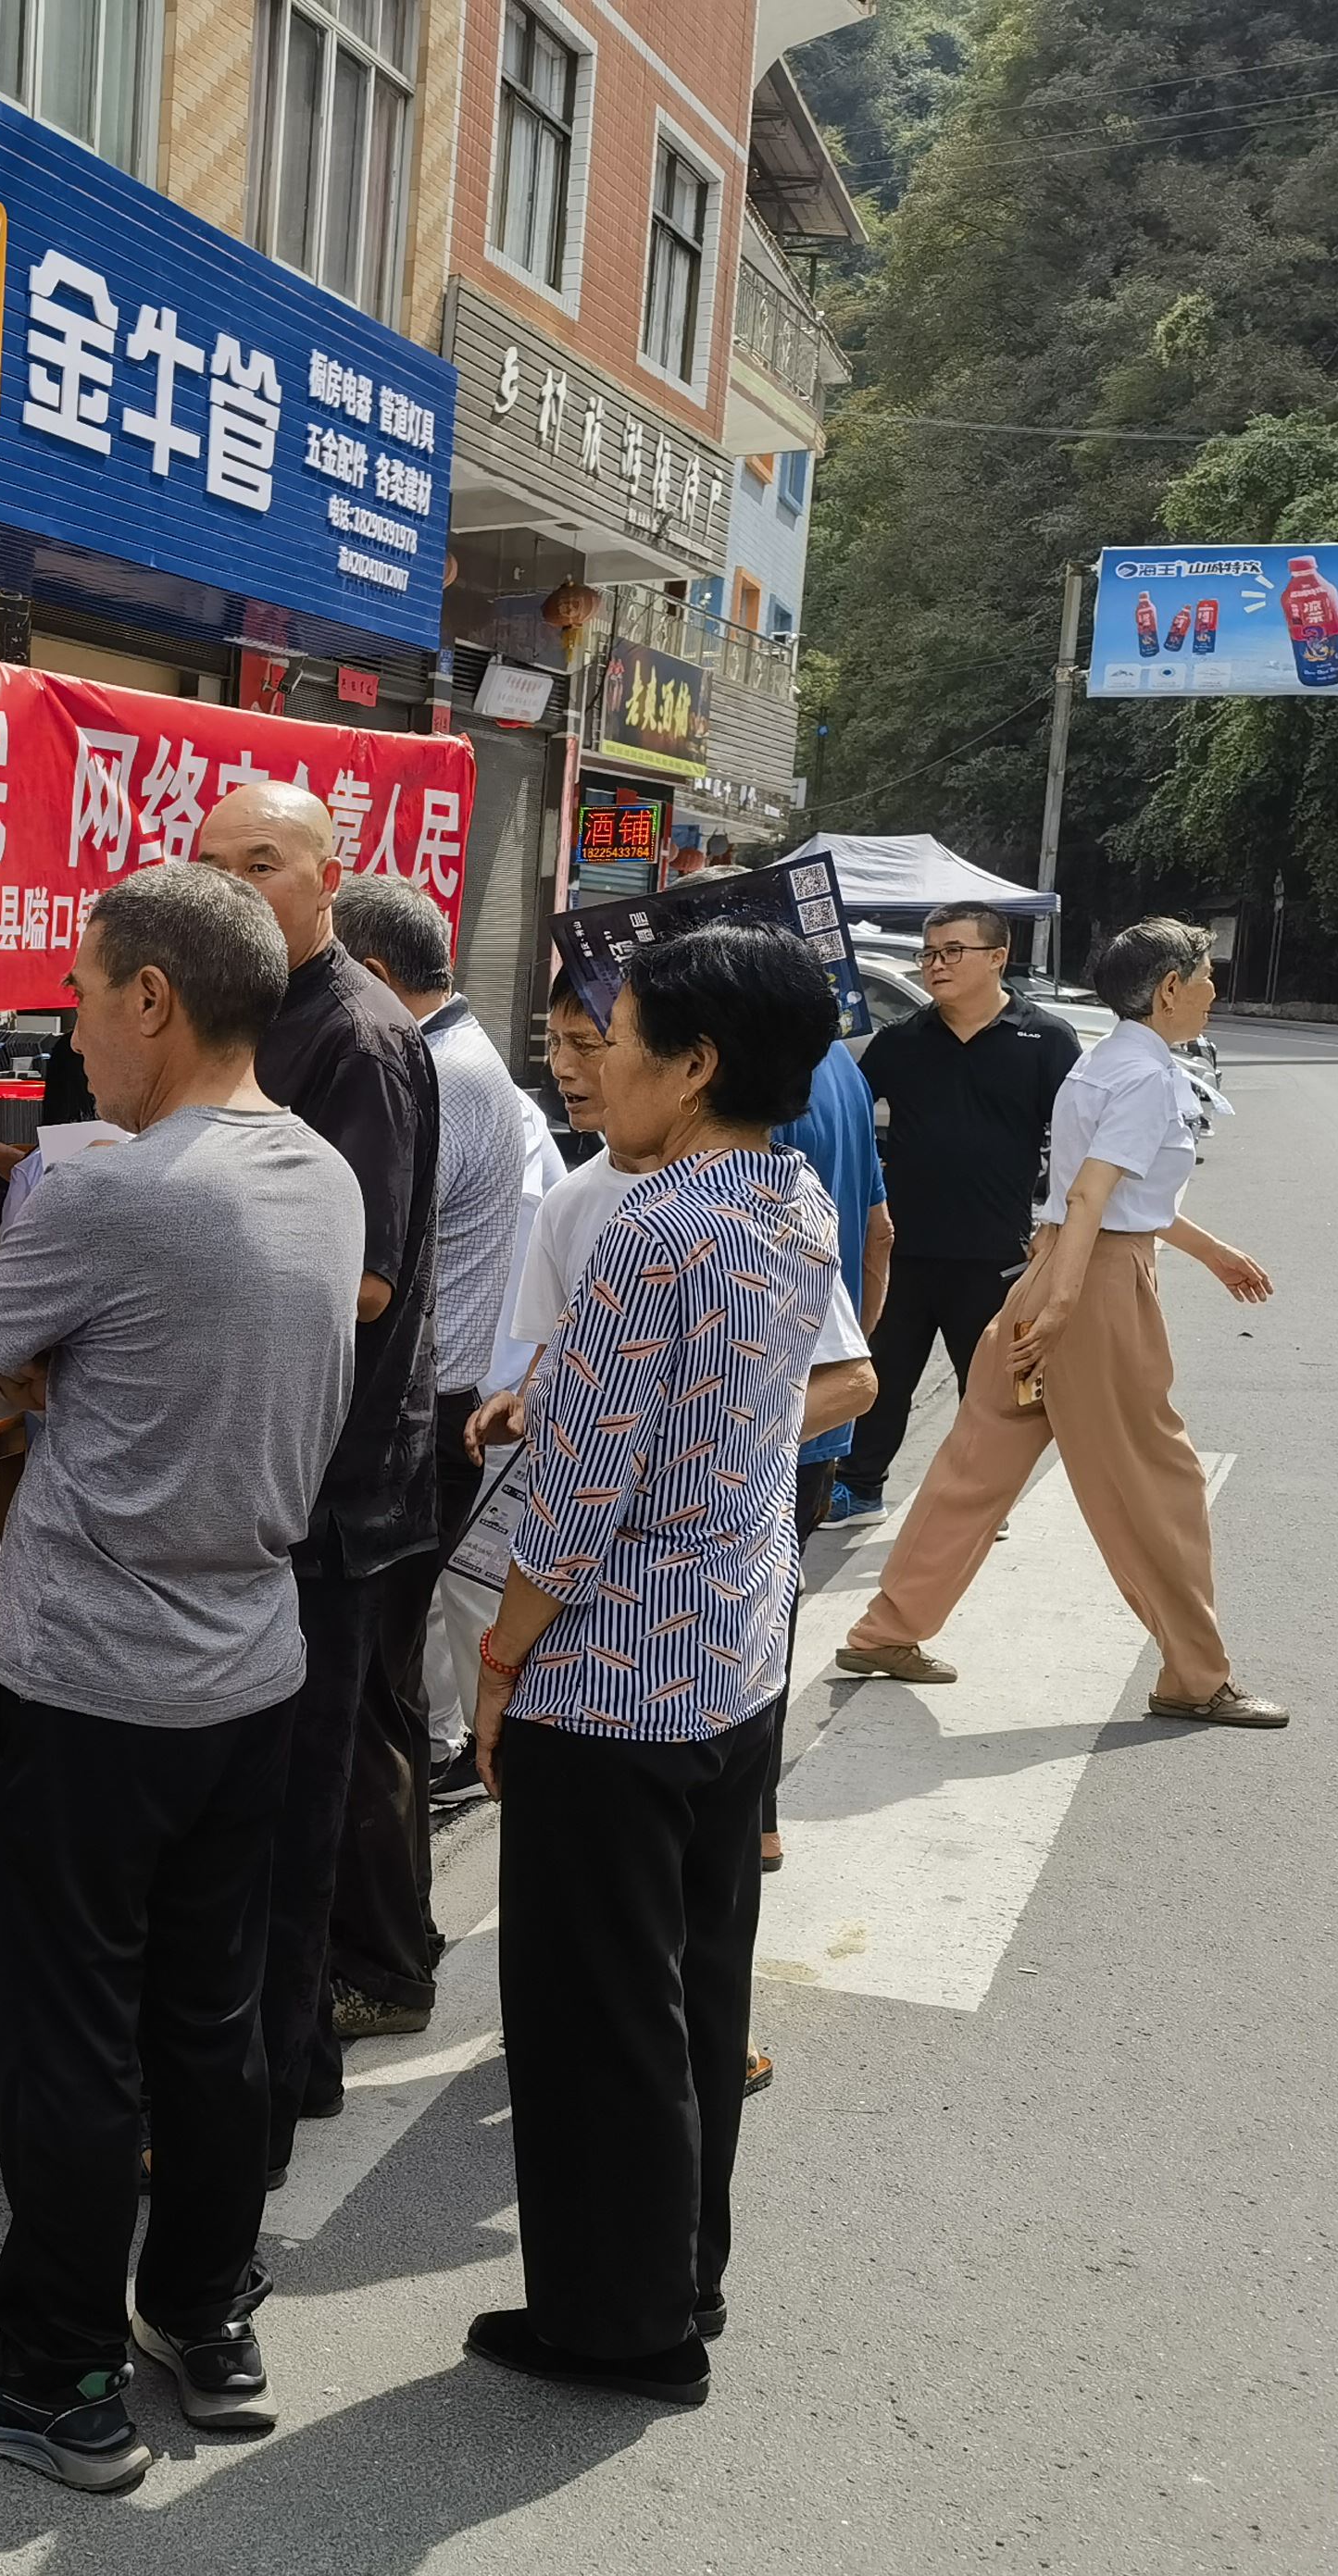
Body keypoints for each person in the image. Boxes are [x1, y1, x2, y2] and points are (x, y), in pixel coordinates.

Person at [0, 861, 364, 2494]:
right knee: (209, 2019)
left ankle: (55, 2374)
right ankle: (200, 2311)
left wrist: (46, 1352)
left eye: (83, 1001)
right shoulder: (319, 1170)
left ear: (152, 998)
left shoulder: (116, 1195)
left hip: (94, 1685)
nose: (73, 1036)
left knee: (62, 2042)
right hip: (250, 1668)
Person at [467, 922, 843, 2409]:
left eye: (613, 1041)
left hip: (612, 1684)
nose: (592, 1066)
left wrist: (500, 1660)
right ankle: (683, 2277)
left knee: (595, 2016)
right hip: (732, 1658)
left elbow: (577, 1502)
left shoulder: (648, 1229)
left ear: (694, 1068)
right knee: (693, 1990)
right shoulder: (789, 1198)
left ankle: (620, 2328)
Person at [839, 919, 1284, 1727]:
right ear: (1170, 989)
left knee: (979, 1460)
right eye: (1205, 977)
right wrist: (1069, 1303)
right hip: (1094, 1282)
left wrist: (1210, 1251)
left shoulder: (1107, 1062)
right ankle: (1194, 1676)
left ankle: (886, 1630)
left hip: (1055, 1266)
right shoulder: (1143, 1076)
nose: (1214, 992)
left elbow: (1109, 1194)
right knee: (1157, 1479)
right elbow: (1090, 1196)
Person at [195, 782, 443, 2151]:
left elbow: (360, 1283)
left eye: (263, 863)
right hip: (252, 1465)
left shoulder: (355, 1033)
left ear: (328, 880)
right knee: (247, 1804)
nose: (232, 886)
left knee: (296, 1801)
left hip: (329, 1488)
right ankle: (275, 2062)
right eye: (210, 863)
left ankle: (276, 2090)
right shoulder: (234, 1011)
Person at [331, 873, 562, 1797]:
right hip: (431, 1409)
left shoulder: (431, 1075)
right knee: (379, 1676)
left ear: (373, 974)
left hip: (418, 1417)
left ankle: (381, 1861)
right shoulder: (451, 1059)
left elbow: (362, 1273)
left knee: (369, 1689)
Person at [829, 904, 1080, 1520]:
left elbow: (1077, 1144)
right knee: (882, 1375)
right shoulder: (901, 1041)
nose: (936, 964)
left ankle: (984, 1502)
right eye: (930, 952)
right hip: (904, 1248)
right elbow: (853, 1121)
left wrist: (1054, 1228)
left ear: (998, 958)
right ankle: (860, 1487)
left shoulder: (1046, 1039)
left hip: (997, 1252)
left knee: (991, 1387)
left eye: (952, 951)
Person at [759, 1029, 891, 1868]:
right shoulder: (839, 1061)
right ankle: (758, 1815)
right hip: (821, 1407)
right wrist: (851, 1352)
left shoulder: (750, 1077)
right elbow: (879, 1233)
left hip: (752, 1413)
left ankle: (746, 1815)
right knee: (773, 1613)